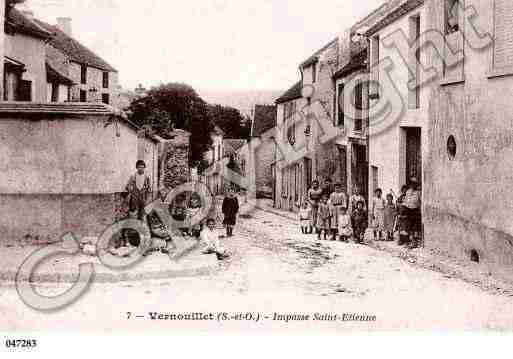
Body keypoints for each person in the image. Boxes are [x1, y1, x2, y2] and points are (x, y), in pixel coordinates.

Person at [405, 178, 422, 248]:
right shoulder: (408, 192)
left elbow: (420, 201)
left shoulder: (418, 192)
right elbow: (406, 201)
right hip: (409, 210)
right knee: (410, 226)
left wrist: (420, 210)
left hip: (416, 210)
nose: (413, 186)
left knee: (415, 227)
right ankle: (411, 241)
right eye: (412, 184)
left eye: (414, 184)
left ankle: (415, 242)